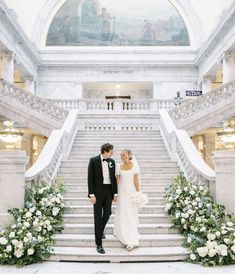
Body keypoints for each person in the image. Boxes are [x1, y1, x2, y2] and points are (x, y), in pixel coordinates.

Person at [88, 143, 118, 254]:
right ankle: (99, 244)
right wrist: (91, 194)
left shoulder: (112, 162)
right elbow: (90, 178)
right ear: (105, 151)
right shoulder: (93, 160)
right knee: (97, 216)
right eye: (111, 151)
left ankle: (99, 231)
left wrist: (115, 193)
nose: (113, 153)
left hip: (108, 191)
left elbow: (114, 179)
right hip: (97, 193)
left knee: (108, 213)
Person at [113, 149, 140, 251]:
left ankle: (131, 238)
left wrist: (138, 193)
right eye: (121, 155)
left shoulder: (135, 166)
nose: (122, 156)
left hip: (131, 193)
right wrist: (115, 194)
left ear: (129, 156)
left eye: (124, 155)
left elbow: (136, 180)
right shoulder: (118, 166)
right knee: (123, 213)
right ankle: (122, 233)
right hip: (122, 193)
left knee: (131, 213)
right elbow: (117, 181)